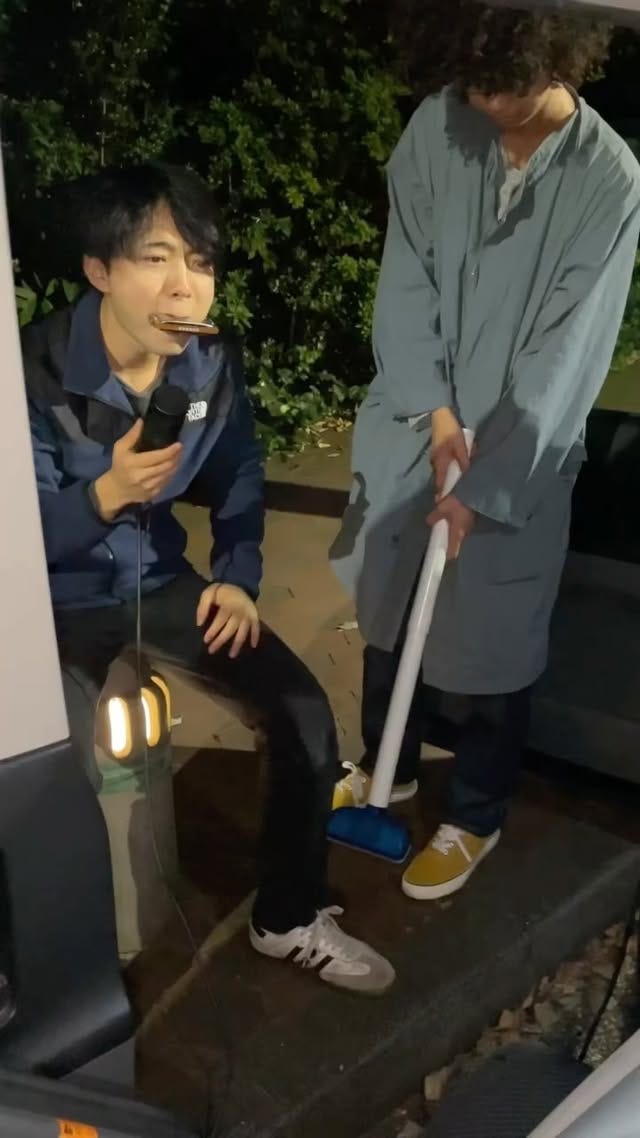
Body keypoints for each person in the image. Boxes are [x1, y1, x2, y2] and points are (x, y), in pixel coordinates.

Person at [24, 162, 394, 996]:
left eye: (200, 263)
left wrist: (237, 575)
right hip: (55, 600)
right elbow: (20, 539)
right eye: (156, 259)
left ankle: (287, 917)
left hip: (161, 580)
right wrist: (106, 494)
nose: (184, 288)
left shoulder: (208, 363)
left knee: (303, 713)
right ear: (99, 269)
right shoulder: (31, 370)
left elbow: (239, 471)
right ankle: (52, 969)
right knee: (49, 775)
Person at [331, 1, 640, 900]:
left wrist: (487, 475)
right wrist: (435, 415)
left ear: (559, 49)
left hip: (520, 453)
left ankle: (475, 813)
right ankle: (386, 768)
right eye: (475, 83)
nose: (489, 103)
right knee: (391, 608)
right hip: (416, 427)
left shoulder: (610, 178)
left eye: (508, 83)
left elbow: (568, 350)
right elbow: (407, 278)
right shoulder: (438, 126)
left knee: (496, 640)